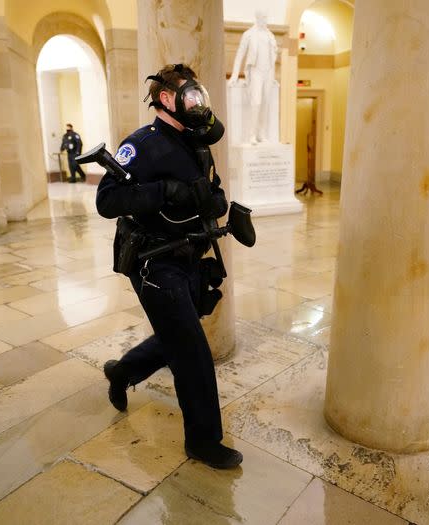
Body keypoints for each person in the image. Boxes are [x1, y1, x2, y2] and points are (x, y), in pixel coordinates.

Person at [95, 63, 241, 470]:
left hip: (190, 254)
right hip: (154, 263)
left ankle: (122, 371)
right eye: (188, 94)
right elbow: (107, 201)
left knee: (180, 334)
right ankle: (203, 440)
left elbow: (206, 188)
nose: (196, 101)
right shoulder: (141, 144)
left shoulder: (194, 140)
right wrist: (163, 192)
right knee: (192, 352)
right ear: (165, 98)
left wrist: (215, 201)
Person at [228, 9, 278, 144]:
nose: (266, 20)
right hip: (256, 71)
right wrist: (234, 74)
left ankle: (261, 134)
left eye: (267, 17)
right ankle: (252, 134)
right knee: (256, 102)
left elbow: (272, 55)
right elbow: (240, 55)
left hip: (268, 71)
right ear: (257, 18)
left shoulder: (270, 35)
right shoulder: (249, 35)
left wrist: (273, 76)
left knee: (266, 103)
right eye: (263, 17)